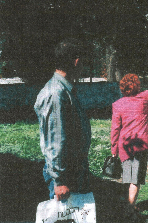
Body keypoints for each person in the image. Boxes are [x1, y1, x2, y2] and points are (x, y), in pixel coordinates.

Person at [34, 38, 91, 201]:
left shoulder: (64, 90)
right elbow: (55, 140)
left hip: (73, 171)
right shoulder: (56, 94)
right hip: (66, 176)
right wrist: (59, 181)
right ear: (76, 62)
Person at [111, 74, 148, 211]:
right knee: (135, 180)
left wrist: (113, 151)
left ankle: (130, 206)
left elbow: (115, 129)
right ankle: (130, 208)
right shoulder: (145, 99)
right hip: (140, 146)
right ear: (137, 86)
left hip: (124, 146)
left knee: (127, 178)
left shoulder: (117, 105)